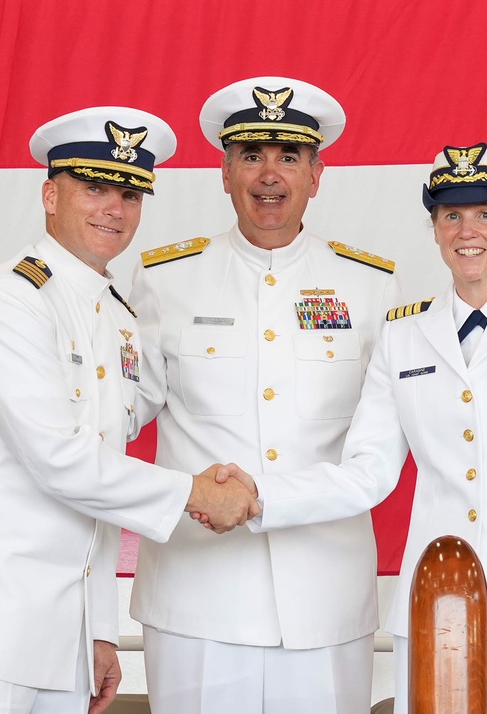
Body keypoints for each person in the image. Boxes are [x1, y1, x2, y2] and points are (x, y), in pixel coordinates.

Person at [224, 143, 487, 714]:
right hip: (436, 610)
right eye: (451, 216)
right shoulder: (404, 333)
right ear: (436, 229)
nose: (467, 231)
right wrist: (259, 496)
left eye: (486, 214)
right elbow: (367, 471)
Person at [0, 106, 257, 714]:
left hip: (65, 636)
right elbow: (60, 461)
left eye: (129, 194)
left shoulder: (119, 319)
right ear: (51, 195)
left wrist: (99, 628)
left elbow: (100, 487)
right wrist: (194, 494)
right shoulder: (12, 298)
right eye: (94, 188)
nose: (114, 208)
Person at [127, 77, 401, 714]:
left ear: (317, 172)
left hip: (324, 599)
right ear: (224, 173)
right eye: (251, 155)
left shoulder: (370, 286)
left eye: (289, 156)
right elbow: (115, 414)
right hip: (197, 596)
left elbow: (384, 451)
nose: (269, 174)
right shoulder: (167, 277)